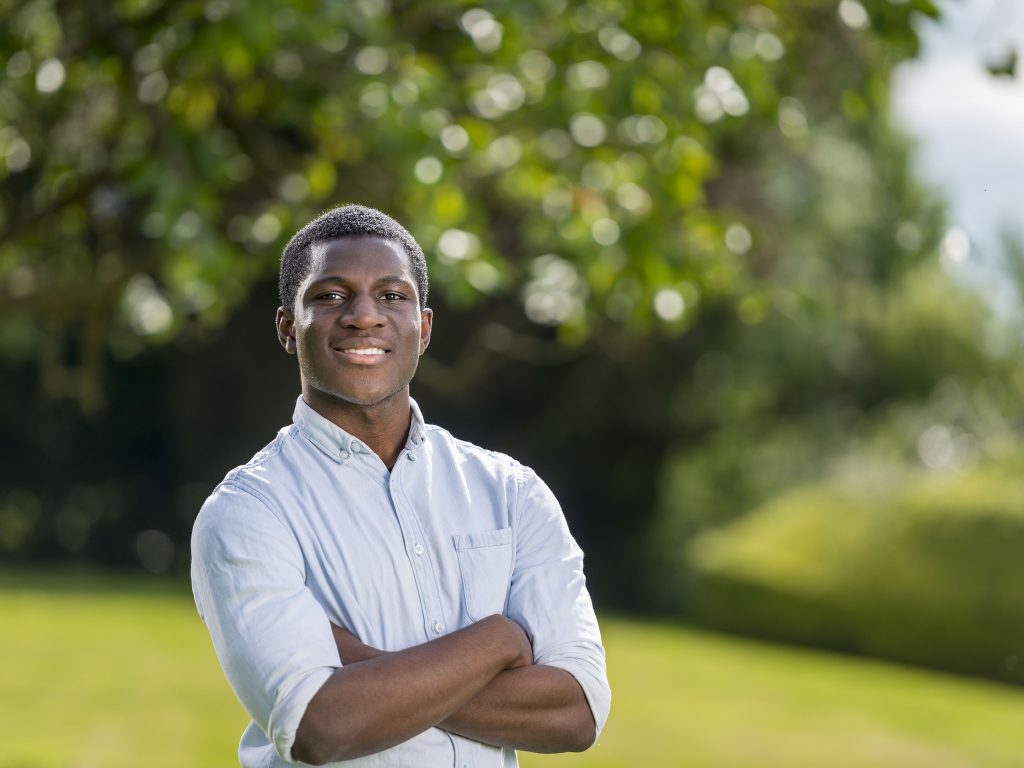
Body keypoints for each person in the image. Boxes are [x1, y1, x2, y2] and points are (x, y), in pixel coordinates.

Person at [190, 204, 610, 767]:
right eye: (331, 295)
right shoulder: (248, 511)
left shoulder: (511, 492)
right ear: (288, 327)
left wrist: (366, 666)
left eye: (392, 295)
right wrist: (498, 641)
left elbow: (575, 712)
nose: (365, 316)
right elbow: (322, 723)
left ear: (424, 327)